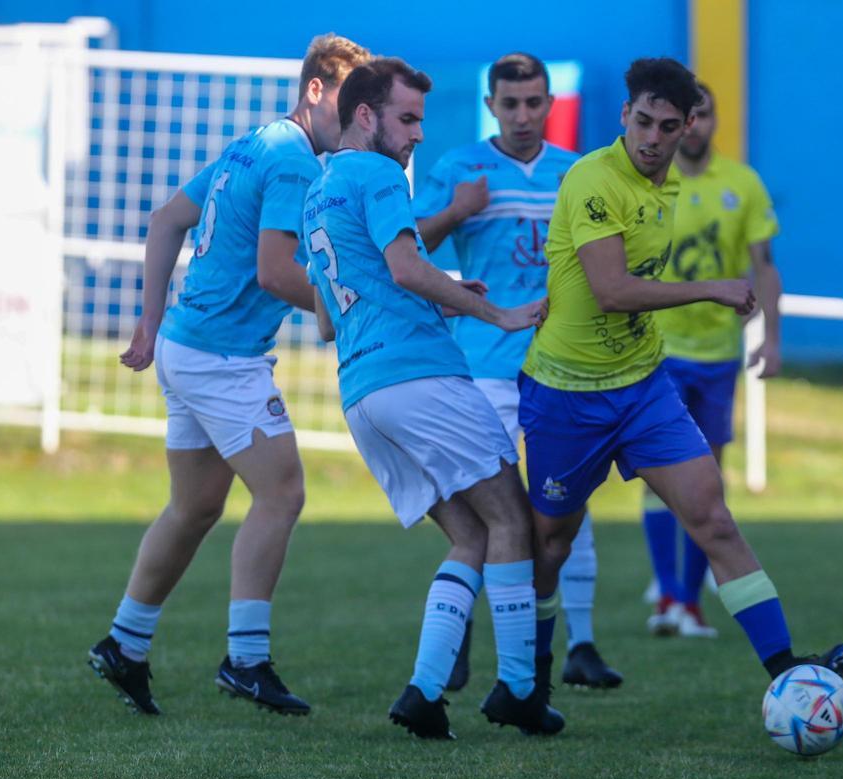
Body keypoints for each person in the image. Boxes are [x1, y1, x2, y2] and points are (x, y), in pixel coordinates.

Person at [520, 57, 843, 698]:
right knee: (550, 545)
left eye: (665, 126)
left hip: (643, 387)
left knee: (714, 516)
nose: (650, 136)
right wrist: (713, 290)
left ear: (686, 128)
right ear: (624, 116)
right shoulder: (593, 178)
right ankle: (529, 679)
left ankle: (787, 672)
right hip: (567, 392)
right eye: (641, 121)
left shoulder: (673, 187)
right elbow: (612, 290)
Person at [86, 34, 371, 717]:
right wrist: (355, 304)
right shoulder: (294, 160)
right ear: (314, 90)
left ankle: (124, 643)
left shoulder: (251, 143)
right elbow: (276, 272)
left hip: (187, 345)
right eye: (351, 99)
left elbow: (165, 220)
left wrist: (152, 322)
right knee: (283, 492)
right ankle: (245, 660)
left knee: (195, 508)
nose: (362, 116)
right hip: (222, 359)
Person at [303, 56, 564, 739]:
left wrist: (440, 300)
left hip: (363, 392)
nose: (418, 134)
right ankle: (518, 691)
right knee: (513, 518)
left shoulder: (317, 192)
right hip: (420, 377)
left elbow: (330, 316)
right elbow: (405, 266)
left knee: (473, 535)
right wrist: (496, 315)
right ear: (366, 115)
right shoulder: (380, 173)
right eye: (407, 118)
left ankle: (423, 695)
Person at [413, 52, 621, 691]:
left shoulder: (577, 174)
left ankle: (580, 645)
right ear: (492, 105)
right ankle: (464, 646)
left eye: (535, 103)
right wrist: (456, 210)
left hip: (563, 367)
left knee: (568, 505)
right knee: (490, 516)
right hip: (485, 367)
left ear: (550, 104)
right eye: (511, 104)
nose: (524, 115)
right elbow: (408, 247)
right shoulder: (460, 168)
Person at [642, 84, 785, 639]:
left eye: (705, 115)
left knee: (709, 483)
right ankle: (671, 599)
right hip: (659, 350)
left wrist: (771, 338)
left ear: (715, 121)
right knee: (657, 479)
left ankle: (691, 605)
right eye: (687, 117)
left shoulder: (742, 184)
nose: (695, 126)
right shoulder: (653, 184)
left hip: (719, 356)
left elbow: (765, 266)